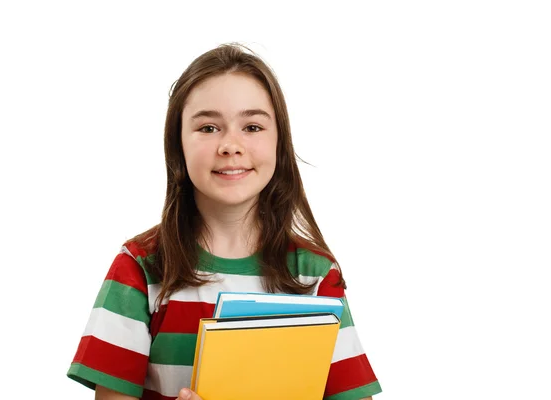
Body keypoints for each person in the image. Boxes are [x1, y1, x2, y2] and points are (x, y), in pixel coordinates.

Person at [67, 43, 382, 400]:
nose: (231, 145)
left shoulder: (316, 275)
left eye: (251, 126)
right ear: (178, 146)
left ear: (279, 142)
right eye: (208, 127)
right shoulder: (139, 268)